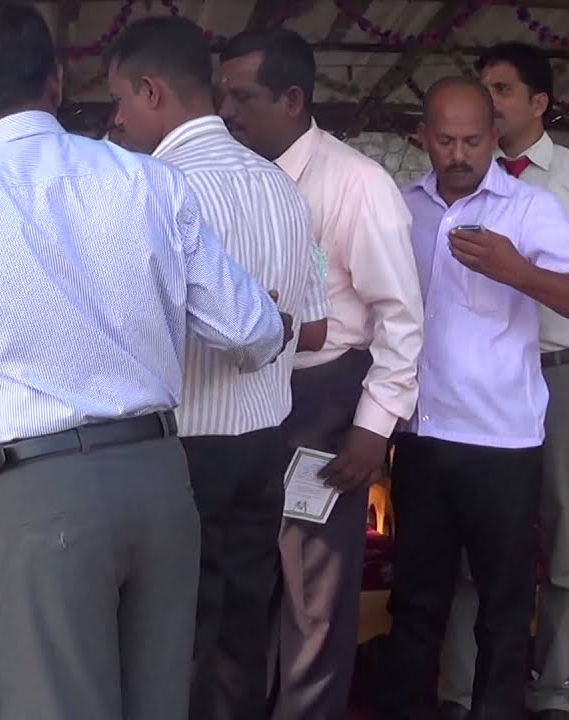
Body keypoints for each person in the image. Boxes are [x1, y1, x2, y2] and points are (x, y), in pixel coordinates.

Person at [0, 2, 291, 718]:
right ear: (56, 83)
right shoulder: (151, 184)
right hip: (159, 481)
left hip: (36, 499)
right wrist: (277, 322)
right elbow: (248, 330)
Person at [104, 16, 326, 720]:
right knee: (241, 624)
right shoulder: (282, 186)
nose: (117, 119)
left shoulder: (154, 188)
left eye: (120, 100)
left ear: (151, 90)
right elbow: (314, 324)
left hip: (183, 445)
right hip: (264, 440)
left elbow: (125, 332)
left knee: (175, 634)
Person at [217, 29, 425, 720]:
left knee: (314, 597)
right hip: (245, 398)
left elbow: (400, 316)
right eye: (223, 96)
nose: (227, 111)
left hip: (325, 400)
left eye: (242, 97)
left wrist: (372, 428)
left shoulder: (357, 184)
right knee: (245, 581)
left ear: (293, 98)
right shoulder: (230, 178)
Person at [378, 76, 569, 720]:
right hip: (422, 436)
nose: (458, 154)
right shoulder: (402, 208)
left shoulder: (530, 210)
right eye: (445, 140)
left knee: (504, 608)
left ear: (494, 136)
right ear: (422, 137)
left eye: (472, 141)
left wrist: (519, 271)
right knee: (416, 603)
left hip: (502, 442)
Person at [438, 42, 569, 720]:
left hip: (558, 373)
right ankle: (462, 692)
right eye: (481, 86)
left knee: (564, 539)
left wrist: (520, 272)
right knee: (473, 550)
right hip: (477, 393)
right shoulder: (447, 186)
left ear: (539, 103)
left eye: (502, 89)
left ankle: (553, 691)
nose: (487, 99)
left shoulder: (565, 178)